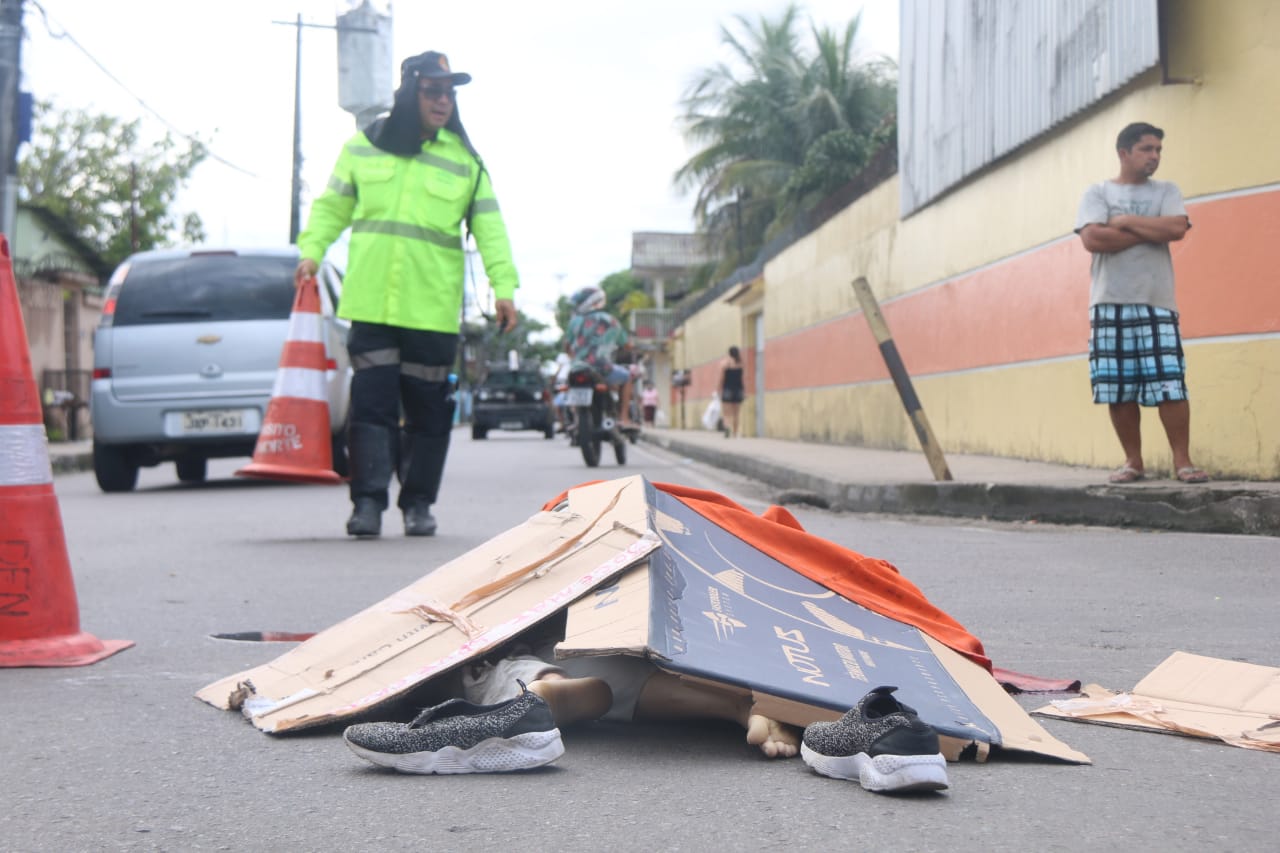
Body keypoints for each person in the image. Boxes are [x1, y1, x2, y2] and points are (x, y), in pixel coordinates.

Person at [294, 51, 520, 538]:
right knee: (371, 408)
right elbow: (330, 208)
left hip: (432, 311)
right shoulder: (361, 149)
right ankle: (369, 504)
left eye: (449, 93)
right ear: (409, 92)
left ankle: (418, 503)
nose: (443, 101)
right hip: (371, 302)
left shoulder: (465, 162)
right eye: (433, 91)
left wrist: (505, 288)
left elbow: (492, 230)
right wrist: (311, 252)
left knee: (429, 414)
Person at [1075, 121, 1208, 485]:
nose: (1155, 156)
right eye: (1147, 149)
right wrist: (1150, 230)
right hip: (1109, 301)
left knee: (1170, 381)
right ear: (1124, 153)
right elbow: (1093, 238)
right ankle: (1133, 461)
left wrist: (1128, 222)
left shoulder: (1167, 190)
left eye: (1158, 150)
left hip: (1157, 301)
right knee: (1117, 385)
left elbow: (1177, 229)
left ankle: (1182, 461)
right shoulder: (1098, 192)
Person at [564, 286, 637, 428]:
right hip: (602, 368)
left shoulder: (574, 322)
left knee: (571, 387)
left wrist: (576, 358)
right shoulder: (611, 320)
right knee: (627, 377)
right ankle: (624, 418)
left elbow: (567, 346)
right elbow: (627, 345)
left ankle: (576, 419)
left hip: (577, 368)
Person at [719, 346, 746, 437]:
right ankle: (735, 432)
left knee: (726, 412)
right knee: (736, 413)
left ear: (729, 353)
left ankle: (727, 428)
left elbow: (721, 378)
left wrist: (719, 389)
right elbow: (743, 379)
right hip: (738, 390)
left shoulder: (725, 364)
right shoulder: (741, 364)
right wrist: (744, 391)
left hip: (727, 389)